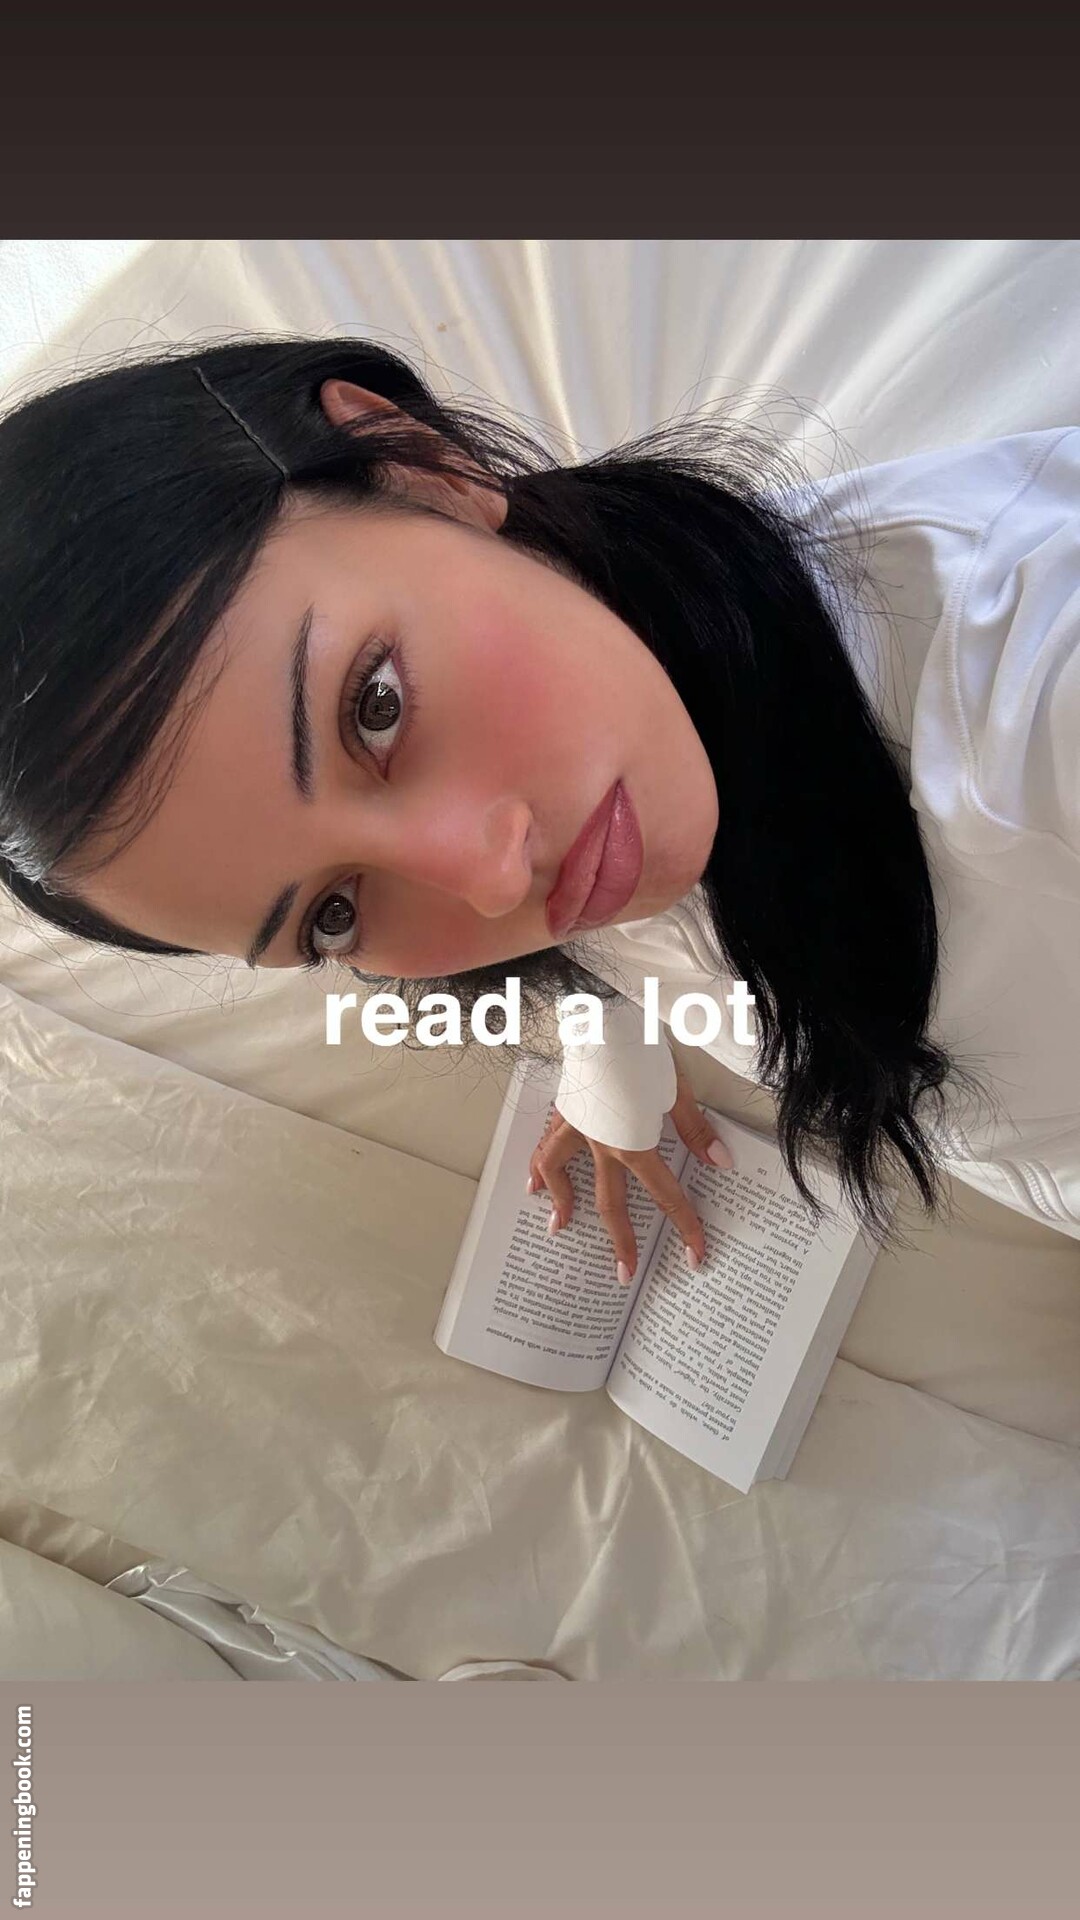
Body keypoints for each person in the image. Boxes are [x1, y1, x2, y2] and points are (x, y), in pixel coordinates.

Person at [2, 337, 1078, 1284]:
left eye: (376, 707)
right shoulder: (612, 758)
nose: (491, 883)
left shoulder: (1026, 692)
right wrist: (609, 1067)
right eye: (333, 914)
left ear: (415, 464)